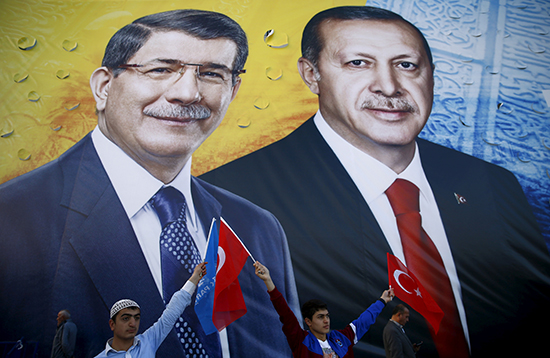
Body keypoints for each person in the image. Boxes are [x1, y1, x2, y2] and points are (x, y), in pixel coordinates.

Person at [200, 5, 550, 357]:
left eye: (406, 65)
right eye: (358, 63)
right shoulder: (230, 197)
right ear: (311, 74)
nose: (389, 86)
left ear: (431, 75)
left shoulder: (491, 184)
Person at [0, 9, 299, 358]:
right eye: (161, 69)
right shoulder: (12, 221)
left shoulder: (258, 228)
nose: (187, 93)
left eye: (212, 74)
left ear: (233, 91)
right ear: (104, 86)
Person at [254, 261, 393, 358]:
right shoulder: (301, 340)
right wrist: (268, 281)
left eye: (327, 316)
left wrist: (382, 300)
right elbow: (285, 313)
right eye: (320, 317)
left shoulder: (341, 338)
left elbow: (364, 320)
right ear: (308, 321)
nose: (326, 320)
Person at [94, 263, 205, 357]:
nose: (132, 323)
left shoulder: (147, 341)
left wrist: (195, 278)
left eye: (136, 318)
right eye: (126, 318)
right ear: (112, 324)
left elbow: (171, 314)